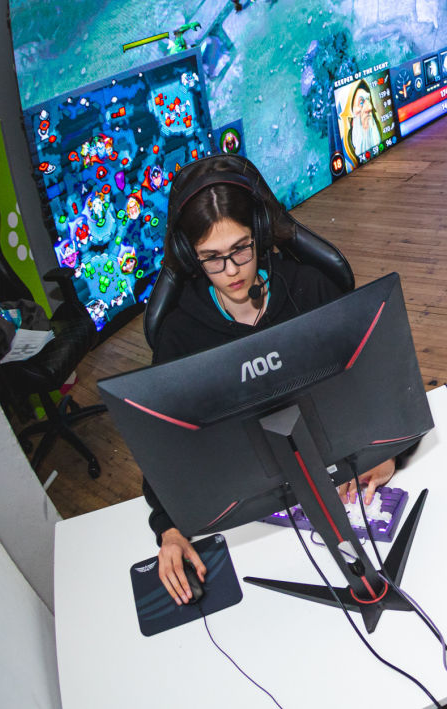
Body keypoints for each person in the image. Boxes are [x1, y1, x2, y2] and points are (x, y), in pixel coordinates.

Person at [145, 157, 393, 605]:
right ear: (190, 256)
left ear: (259, 234)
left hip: (338, 480)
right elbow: (166, 445)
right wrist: (170, 527)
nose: (232, 270)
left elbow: (376, 381)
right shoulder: (180, 334)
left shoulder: (311, 288)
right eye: (212, 258)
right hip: (250, 510)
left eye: (241, 249)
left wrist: (385, 452)